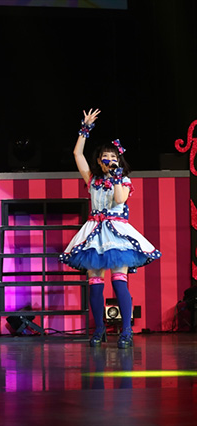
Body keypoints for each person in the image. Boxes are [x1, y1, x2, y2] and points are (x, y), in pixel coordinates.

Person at [60, 109, 161, 349]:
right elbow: (77, 154)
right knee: (95, 284)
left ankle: (126, 331)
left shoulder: (123, 180)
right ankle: (99, 329)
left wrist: (116, 176)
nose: (107, 159)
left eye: (112, 156)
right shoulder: (92, 179)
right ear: (98, 160)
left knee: (119, 282)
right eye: (104, 156)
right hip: (94, 233)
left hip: (117, 234)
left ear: (118, 160)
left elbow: (119, 199)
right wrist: (85, 128)